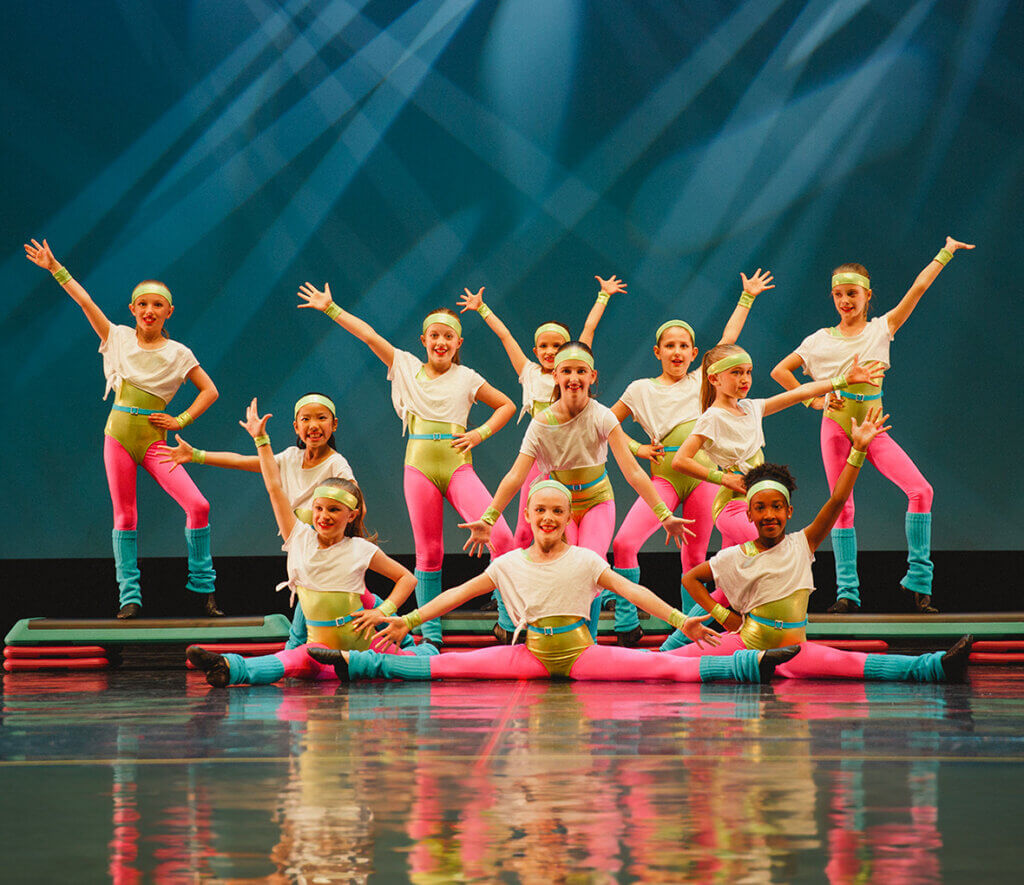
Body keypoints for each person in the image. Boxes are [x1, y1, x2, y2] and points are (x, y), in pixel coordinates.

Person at [307, 479, 798, 684]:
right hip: (529, 654)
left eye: (556, 512)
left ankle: (747, 666)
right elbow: (459, 593)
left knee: (661, 669)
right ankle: (361, 663)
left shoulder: (585, 559)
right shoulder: (510, 564)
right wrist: (404, 618)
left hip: (582, 653)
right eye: (539, 510)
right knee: (450, 669)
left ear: (567, 518)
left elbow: (633, 591)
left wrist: (679, 621)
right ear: (529, 514)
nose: (547, 517)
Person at [666, 409, 972, 683]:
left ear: (789, 511)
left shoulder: (803, 543)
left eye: (776, 506)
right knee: (668, 663)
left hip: (796, 651)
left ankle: (935, 666)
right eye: (760, 508)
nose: (769, 514)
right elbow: (690, 579)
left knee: (859, 663)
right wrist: (726, 618)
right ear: (749, 513)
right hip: (746, 643)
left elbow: (838, 499)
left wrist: (860, 450)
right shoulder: (735, 556)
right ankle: (748, 664)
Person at [297, 282, 517, 645]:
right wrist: (331, 308)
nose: (441, 341)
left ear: (458, 343)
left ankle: (507, 618)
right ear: (424, 339)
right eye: (434, 335)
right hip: (419, 468)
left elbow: (506, 405)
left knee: (502, 536)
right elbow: (369, 336)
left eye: (448, 335)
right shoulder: (407, 367)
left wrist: (479, 434)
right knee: (429, 552)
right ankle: (430, 633)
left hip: (458, 466)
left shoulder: (467, 378)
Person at [770, 238, 974, 613]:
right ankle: (847, 592)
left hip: (872, 425)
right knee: (841, 508)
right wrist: (815, 399)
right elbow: (780, 371)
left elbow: (919, 289)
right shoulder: (818, 341)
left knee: (920, 491)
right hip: (836, 428)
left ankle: (918, 580)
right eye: (838, 294)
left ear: (867, 295)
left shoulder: (881, 329)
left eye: (852, 293)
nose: (844, 301)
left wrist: (945, 252)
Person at [24, 238, 221, 618]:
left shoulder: (178, 353)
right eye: (142, 304)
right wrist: (55, 268)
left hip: (153, 442)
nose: (149, 310)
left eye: (157, 305)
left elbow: (209, 390)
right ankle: (129, 596)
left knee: (198, 505)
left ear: (169, 312)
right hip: (118, 438)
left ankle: (202, 588)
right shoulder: (117, 337)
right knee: (125, 516)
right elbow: (86, 302)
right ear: (132, 309)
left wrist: (181, 420)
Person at [460, 340, 695, 644]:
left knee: (591, 564)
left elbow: (634, 473)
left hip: (598, 501)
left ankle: (590, 642)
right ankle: (560, 635)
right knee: (565, 567)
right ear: (555, 376)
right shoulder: (542, 423)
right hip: (562, 508)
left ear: (592, 376)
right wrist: (489, 518)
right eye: (567, 370)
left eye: (581, 371)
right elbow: (516, 476)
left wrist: (664, 515)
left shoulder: (603, 417)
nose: (574, 377)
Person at [186, 399, 430, 687]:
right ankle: (229, 666)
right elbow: (273, 486)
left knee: (402, 656)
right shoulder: (299, 534)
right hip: (319, 647)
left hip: (362, 648)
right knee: (292, 657)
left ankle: (417, 647)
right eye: (319, 509)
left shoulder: (358, 545)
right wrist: (259, 439)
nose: (324, 516)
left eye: (333, 510)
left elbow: (406, 578)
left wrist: (384, 612)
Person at [610, 269, 774, 640]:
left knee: (695, 558)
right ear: (658, 352)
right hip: (665, 477)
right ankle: (625, 621)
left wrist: (746, 297)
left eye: (684, 346)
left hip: (704, 478)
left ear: (695, 354)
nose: (677, 352)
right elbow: (606, 422)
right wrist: (636, 447)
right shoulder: (641, 389)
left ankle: (689, 631)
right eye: (670, 346)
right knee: (624, 543)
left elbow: (728, 340)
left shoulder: (703, 379)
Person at [457, 274, 626, 547]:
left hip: (570, 460)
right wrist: (482, 308)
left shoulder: (573, 373)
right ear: (535, 350)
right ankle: (508, 587)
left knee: (566, 539)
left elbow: (589, 328)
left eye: (557, 346)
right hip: (538, 460)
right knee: (525, 531)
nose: (550, 351)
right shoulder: (529, 372)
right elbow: (505, 336)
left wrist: (603, 295)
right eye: (544, 346)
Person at [670, 343, 884, 552]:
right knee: (771, 553)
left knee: (733, 580)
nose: (745, 379)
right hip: (732, 505)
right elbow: (680, 460)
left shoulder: (750, 408)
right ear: (714, 378)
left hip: (755, 500)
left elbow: (800, 393)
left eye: (748, 372)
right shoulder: (712, 417)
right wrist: (724, 478)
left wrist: (842, 380)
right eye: (736, 373)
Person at [161, 392, 354, 521]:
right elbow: (239, 461)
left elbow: (357, 508)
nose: (313, 426)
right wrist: (195, 454)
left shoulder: (336, 465)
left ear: (334, 424)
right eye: (305, 419)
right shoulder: (290, 457)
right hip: (298, 546)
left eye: (321, 418)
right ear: (296, 427)